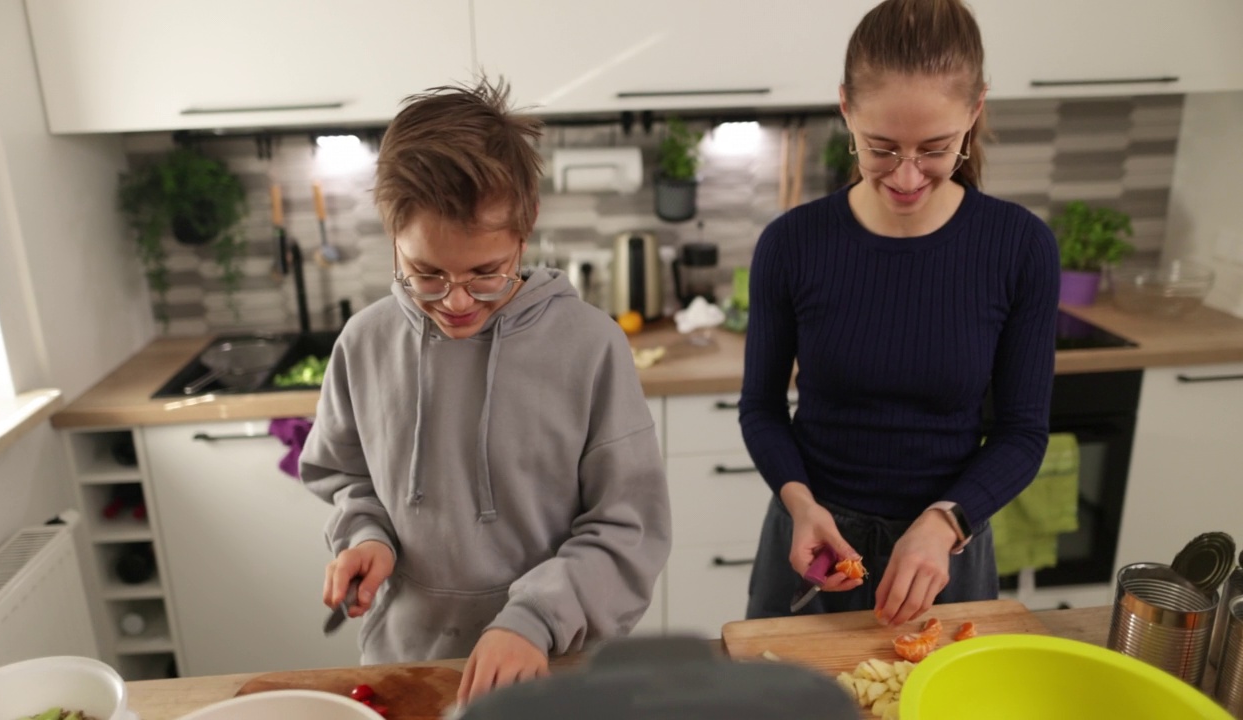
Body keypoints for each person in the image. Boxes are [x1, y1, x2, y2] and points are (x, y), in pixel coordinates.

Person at [300, 77, 671, 706]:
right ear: (395, 237)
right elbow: (347, 477)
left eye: (485, 273)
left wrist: (534, 620)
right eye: (426, 273)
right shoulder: (363, 344)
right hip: (407, 661)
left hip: (556, 662)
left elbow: (626, 529)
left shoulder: (590, 346)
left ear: (523, 238)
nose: (458, 300)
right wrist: (366, 535)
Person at [739, 0, 1058, 627]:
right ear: (845, 110)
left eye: (935, 148)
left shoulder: (1019, 247)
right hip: (813, 545)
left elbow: (1023, 433)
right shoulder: (792, 244)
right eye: (881, 148)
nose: (907, 176)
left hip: (946, 552)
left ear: (975, 111)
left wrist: (946, 521)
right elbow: (763, 408)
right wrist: (800, 503)